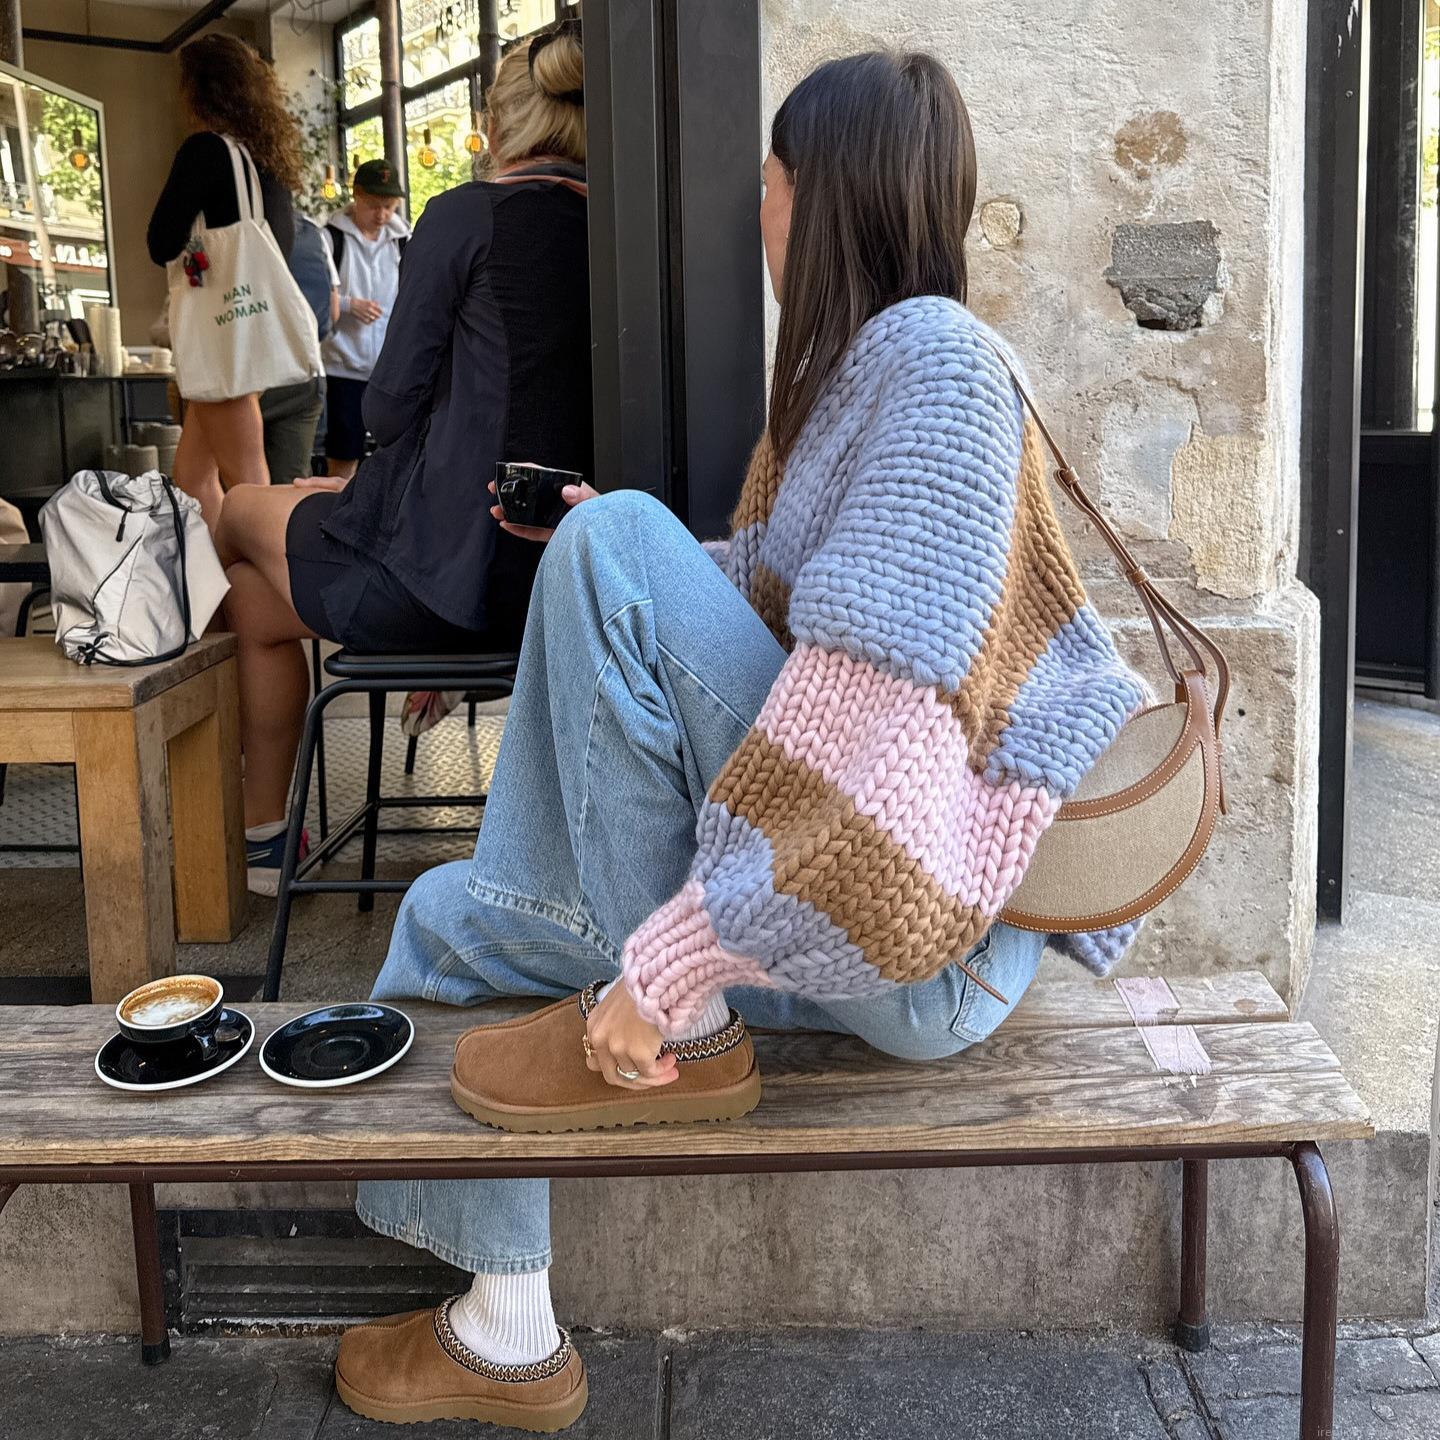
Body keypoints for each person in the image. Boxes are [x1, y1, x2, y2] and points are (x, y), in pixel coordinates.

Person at [330, 49, 1150, 1433]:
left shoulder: (941, 370)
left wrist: (672, 971)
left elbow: (883, 744)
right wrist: (628, 551)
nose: (753, 209)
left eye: (765, 181)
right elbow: (771, 611)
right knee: (444, 919)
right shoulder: (847, 383)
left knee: (612, 546)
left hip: (926, 940)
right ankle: (504, 1331)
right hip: (857, 908)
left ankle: (686, 1031)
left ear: (811, 193)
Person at [213, 21, 591, 893]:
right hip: (564, 583)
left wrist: (356, 491)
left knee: (234, 520)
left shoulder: (465, 216)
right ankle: (265, 832)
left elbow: (385, 407)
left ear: (497, 123)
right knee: (257, 602)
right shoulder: (616, 225)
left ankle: (256, 836)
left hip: (444, 582)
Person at [146, 34, 303, 527]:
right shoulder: (264, 161)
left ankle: (273, 574)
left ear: (197, 89)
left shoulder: (206, 151)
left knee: (250, 484)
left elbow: (161, 241)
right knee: (192, 476)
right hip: (245, 329)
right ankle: (219, 575)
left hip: (222, 337)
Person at [320, 160, 411, 480]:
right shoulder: (331, 239)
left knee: (395, 454)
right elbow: (315, 296)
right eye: (374, 205)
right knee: (344, 454)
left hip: (390, 369)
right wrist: (347, 304)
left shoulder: (403, 241)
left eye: (389, 206)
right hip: (343, 366)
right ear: (356, 196)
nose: (382, 214)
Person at [260, 215, 341, 486]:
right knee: (292, 484)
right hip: (306, 372)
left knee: (236, 484)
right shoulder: (313, 234)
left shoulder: (238, 229)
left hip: (251, 375)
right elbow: (332, 312)